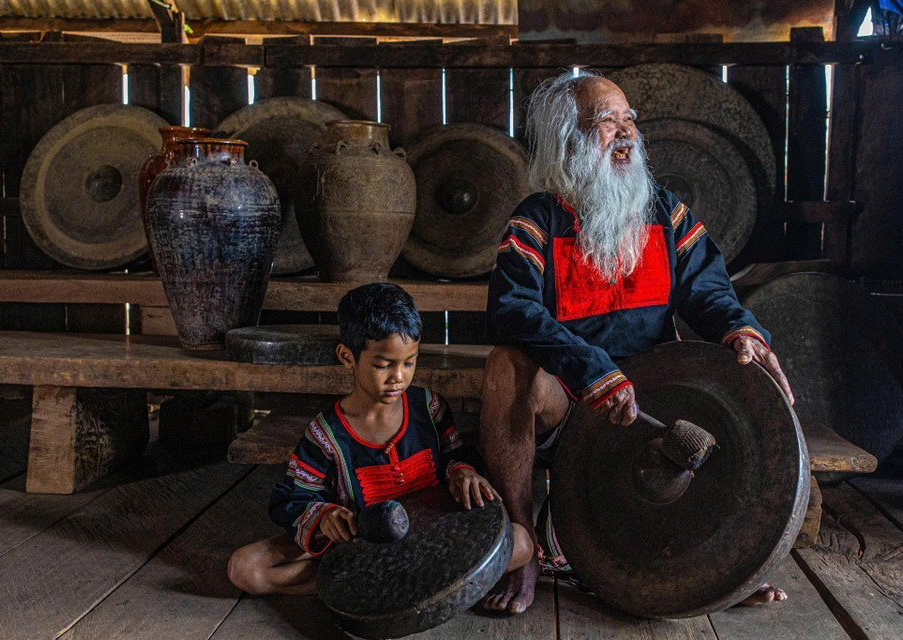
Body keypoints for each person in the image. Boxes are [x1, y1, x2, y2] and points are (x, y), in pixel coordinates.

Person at [479, 70, 794, 613]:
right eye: (606, 121)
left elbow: (709, 291)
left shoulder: (665, 211)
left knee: (745, 370)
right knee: (507, 366)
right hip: (575, 396)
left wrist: (742, 331)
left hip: (658, 398)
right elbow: (512, 309)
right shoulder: (537, 220)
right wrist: (591, 368)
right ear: (568, 140)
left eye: (629, 120)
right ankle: (524, 547)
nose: (626, 133)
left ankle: (730, 570)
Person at [228, 282, 532, 595]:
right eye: (383, 365)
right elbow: (291, 500)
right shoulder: (326, 435)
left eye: (409, 362)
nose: (398, 376)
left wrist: (462, 471)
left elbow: (457, 455)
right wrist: (324, 517)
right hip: (364, 549)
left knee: (519, 541)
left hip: (434, 541)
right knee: (245, 568)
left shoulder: (430, 408)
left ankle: (372, 591)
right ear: (347, 357)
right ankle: (412, 588)